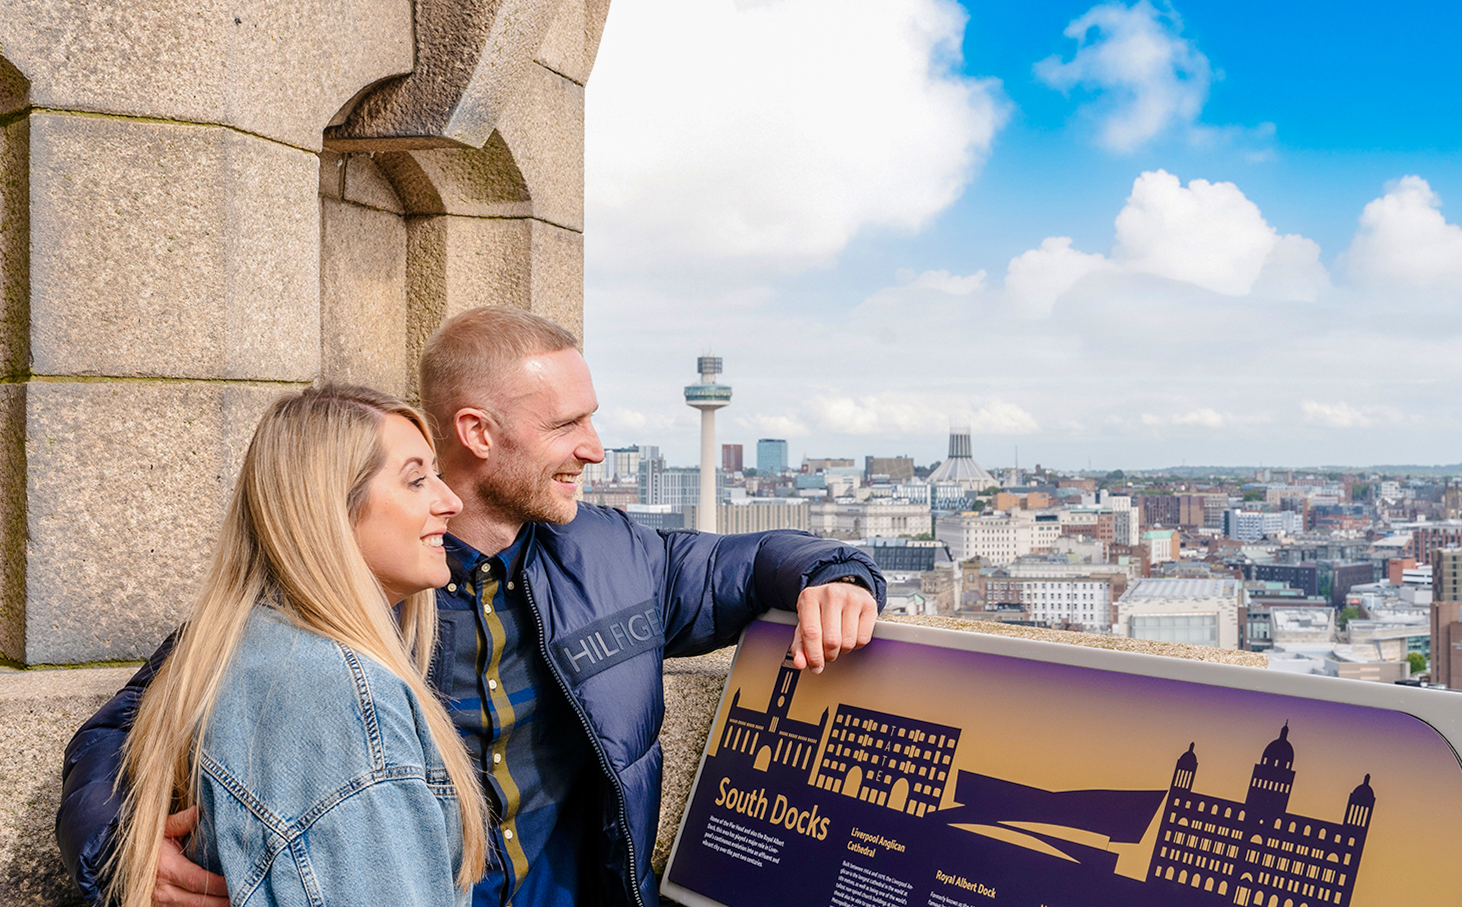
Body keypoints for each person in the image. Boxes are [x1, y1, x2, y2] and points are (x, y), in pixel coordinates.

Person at [59, 307, 885, 907]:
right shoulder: (331, 602)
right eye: (568, 424)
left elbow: (752, 562)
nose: (595, 447)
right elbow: (122, 729)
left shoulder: (620, 556)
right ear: (478, 433)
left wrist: (840, 577)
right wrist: (120, 851)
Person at [105, 385, 489, 906]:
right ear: (329, 508)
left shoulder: (249, 646)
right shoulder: (339, 696)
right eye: (417, 480)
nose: (451, 502)